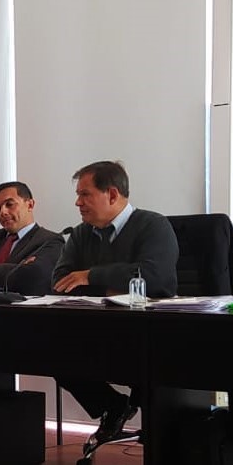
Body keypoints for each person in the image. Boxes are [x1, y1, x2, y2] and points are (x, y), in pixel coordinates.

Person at [52, 161, 179, 444]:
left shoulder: (154, 225)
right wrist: (116, 284)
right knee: (53, 351)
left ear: (111, 194)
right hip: (97, 330)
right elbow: (60, 280)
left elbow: (155, 278)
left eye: (85, 194)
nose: (77, 203)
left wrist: (90, 276)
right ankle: (112, 406)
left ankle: (164, 444)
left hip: (146, 334)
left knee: (152, 367)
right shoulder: (81, 233)